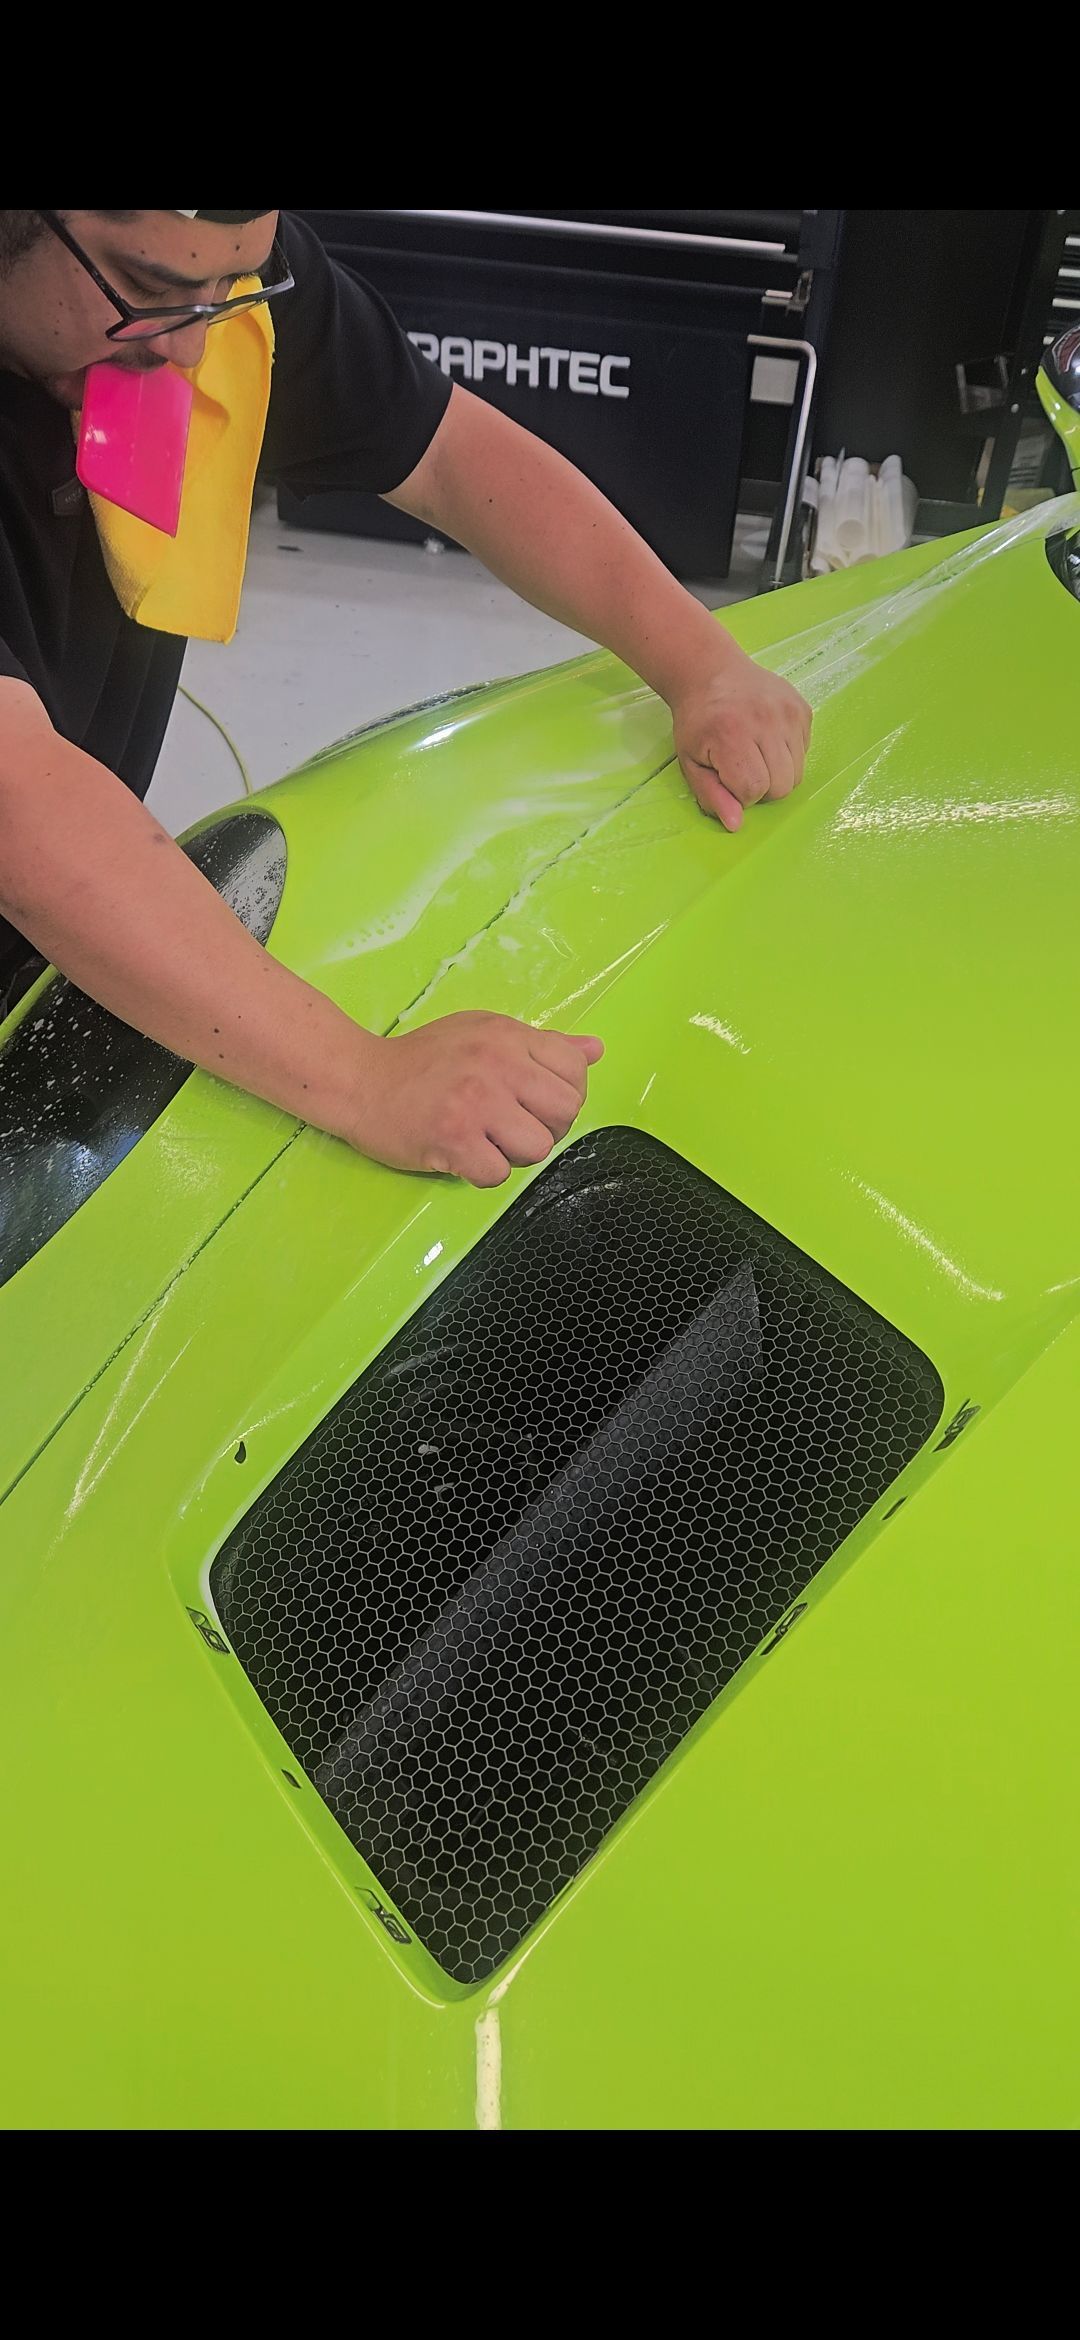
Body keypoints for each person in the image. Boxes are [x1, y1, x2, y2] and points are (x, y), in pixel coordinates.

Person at [0, 208, 811, 1188]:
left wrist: (701, 662)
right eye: (154, 289)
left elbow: (449, 456)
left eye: (231, 285)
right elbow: (20, 801)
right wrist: (362, 1079)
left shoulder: (200, 278)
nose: (196, 338)